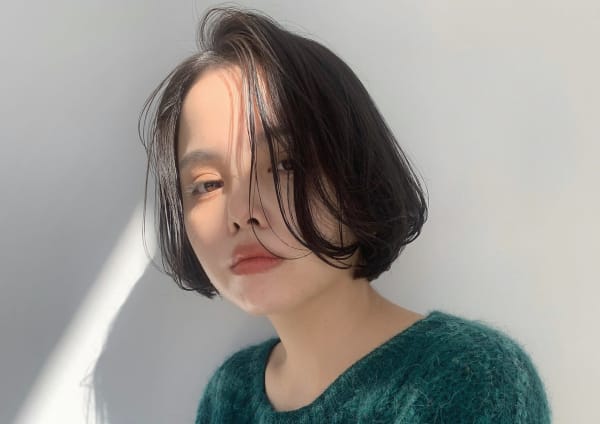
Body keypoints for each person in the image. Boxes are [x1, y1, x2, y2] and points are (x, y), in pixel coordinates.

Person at [140, 7, 551, 423]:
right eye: (207, 184)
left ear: (357, 175)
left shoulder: (467, 378)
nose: (241, 213)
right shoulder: (229, 394)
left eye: (285, 165)